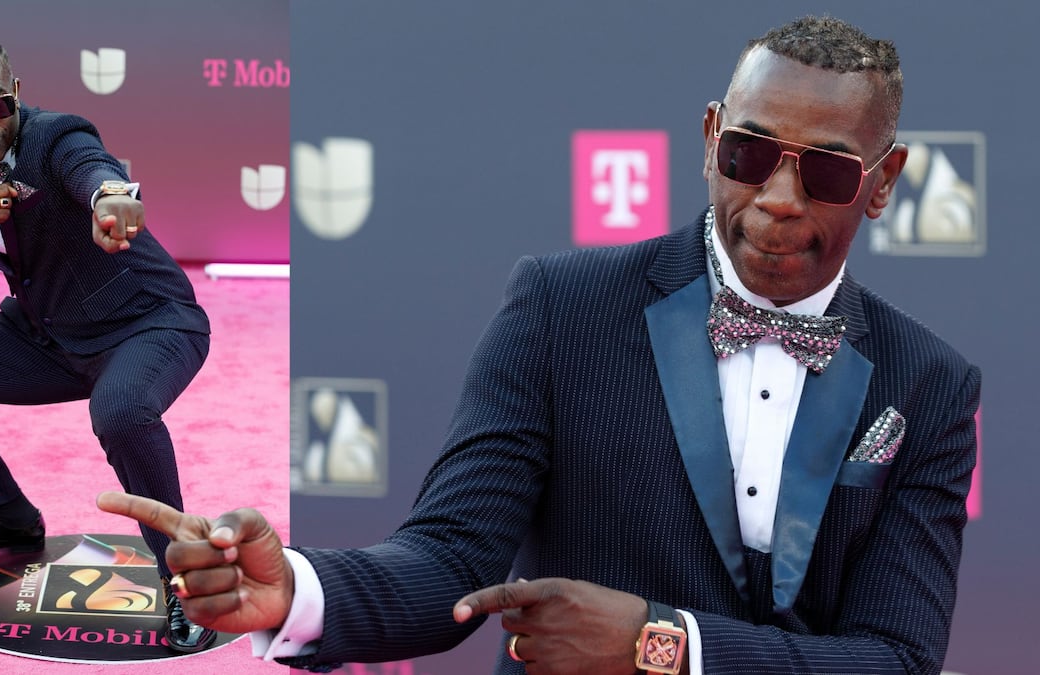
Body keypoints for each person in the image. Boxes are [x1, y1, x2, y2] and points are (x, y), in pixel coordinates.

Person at [101, 15, 979, 674]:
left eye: (824, 170)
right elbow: (451, 553)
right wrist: (298, 590)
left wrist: (659, 643)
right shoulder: (564, 307)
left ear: (882, 183)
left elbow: (895, 657)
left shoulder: (929, 384)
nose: (782, 197)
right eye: (752, 153)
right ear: (712, 139)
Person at [0, 31, 217, 653]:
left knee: (119, 411)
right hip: (47, 332)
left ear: (16, 95)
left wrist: (112, 197)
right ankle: (7, 518)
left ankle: (186, 575)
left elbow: (92, 167)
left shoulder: (56, 135)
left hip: (148, 323)